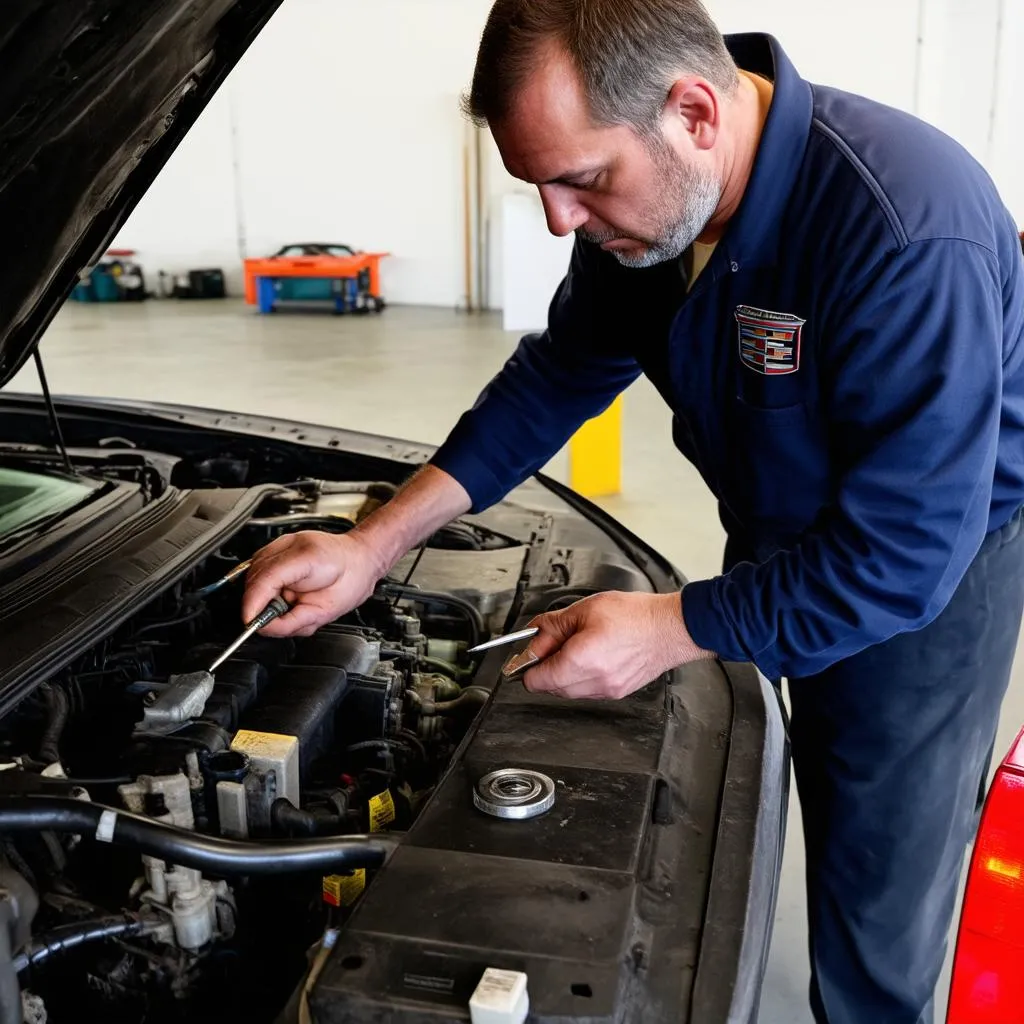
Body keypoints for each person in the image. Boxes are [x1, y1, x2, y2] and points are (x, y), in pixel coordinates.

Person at [242, 2, 1024, 1021]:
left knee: (877, 875)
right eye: (539, 186)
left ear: (695, 113)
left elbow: (899, 557)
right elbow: (558, 374)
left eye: (581, 179)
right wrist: (373, 541)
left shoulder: (904, 227)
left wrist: (672, 624)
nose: (560, 221)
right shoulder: (654, 214)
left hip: (930, 581)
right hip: (780, 531)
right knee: (812, 785)